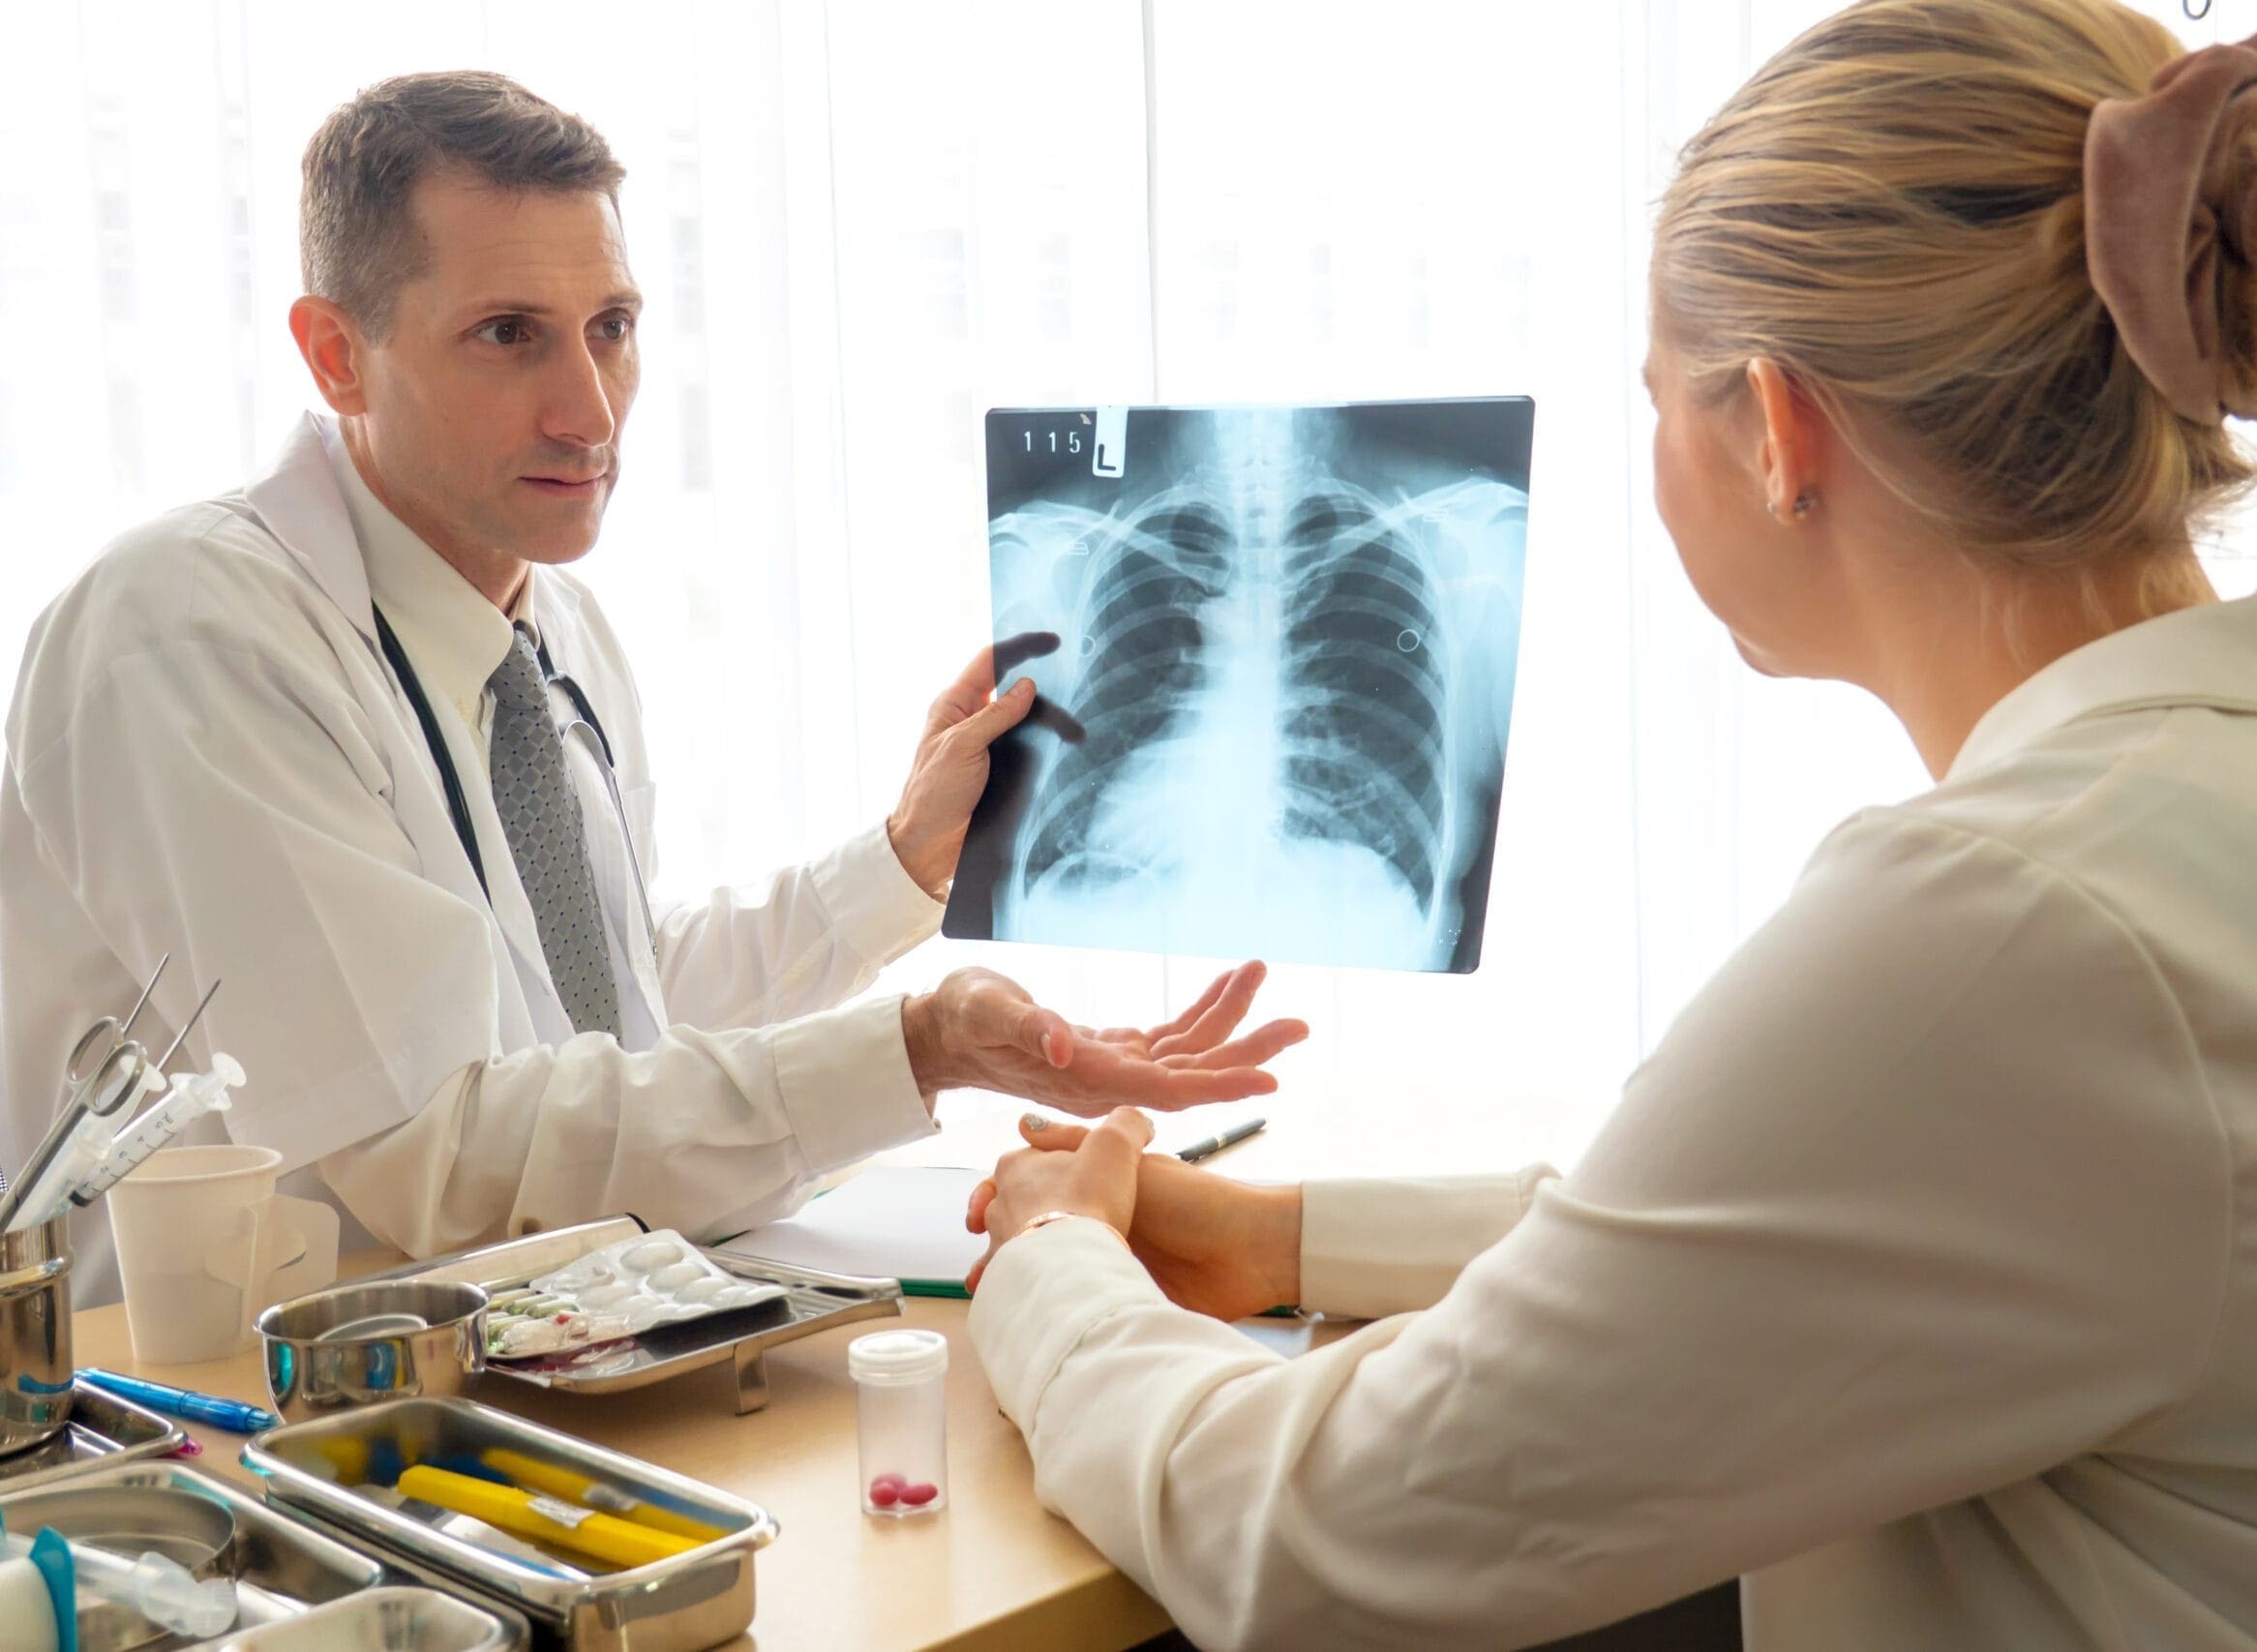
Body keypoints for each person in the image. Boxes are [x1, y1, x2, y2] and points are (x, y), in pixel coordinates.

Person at [960, 5, 2257, 1648]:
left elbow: (1314, 1540)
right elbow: (1834, 1228)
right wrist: (1286, 1238)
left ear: (1775, 428)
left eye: (1659, 399)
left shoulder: (2024, 923)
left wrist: (1055, 1273)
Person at [0, 71, 1305, 1300]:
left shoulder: (551, 623)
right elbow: (424, 1153)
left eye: (611, 329)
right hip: (212, 1437)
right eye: (509, 336)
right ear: (337, 355)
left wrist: (904, 864)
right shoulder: (189, 632)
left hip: (527, 1359)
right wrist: (920, 1046)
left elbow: (607, 1014)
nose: (592, 412)